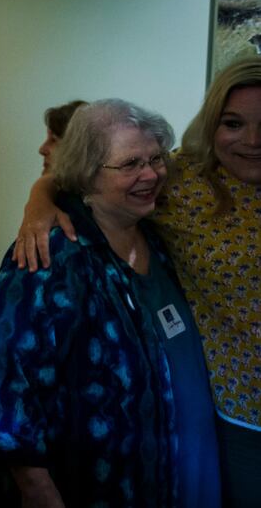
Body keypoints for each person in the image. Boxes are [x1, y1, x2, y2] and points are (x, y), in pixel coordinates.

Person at [14, 58, 260, 507]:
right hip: (239, 417)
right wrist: (39, 199)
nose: (252, 141)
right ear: (212, 125)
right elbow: (92, 171)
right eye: (233, 123)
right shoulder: (187, 184)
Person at [0, 99, 221, 507]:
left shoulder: (157, 240)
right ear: (86, 174)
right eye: (130, 164)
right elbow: (2, 388)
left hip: (166, 479)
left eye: (156, 158)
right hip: (89, 486)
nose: (152, 174)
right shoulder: (52, 254)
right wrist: (38, 491)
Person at [0, 99, 86, 321]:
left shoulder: (60, 233)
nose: (42, 149)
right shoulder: (50, 208)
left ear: (78, 152)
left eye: (54, 140)